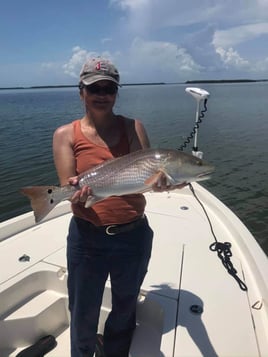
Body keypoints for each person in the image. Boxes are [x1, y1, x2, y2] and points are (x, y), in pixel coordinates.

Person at [53, 58, 182, 357]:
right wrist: (77, 193)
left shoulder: (134, 127)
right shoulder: (65, 135)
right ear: (80, 92)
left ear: (116, 92)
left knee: (125, 308)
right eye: (94, 88)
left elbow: (144, 176)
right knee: (83, 312)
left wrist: (164, 183)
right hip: (87, 239)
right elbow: (70, 188)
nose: (102, 94)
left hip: (132, 236)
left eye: (108, 88)